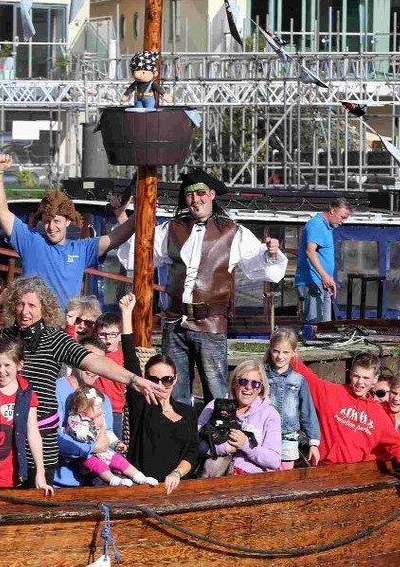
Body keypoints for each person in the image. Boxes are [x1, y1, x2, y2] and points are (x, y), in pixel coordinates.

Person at [117, 168, 286, 405]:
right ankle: (180, 438)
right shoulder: (172, 229)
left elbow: (258, 264)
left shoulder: (233, 231)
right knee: (173, 393)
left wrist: (271, 252)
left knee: (216, 393)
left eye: (200, 193)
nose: (195, 199)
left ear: (212, 195)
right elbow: (139, 253)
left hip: (211, 324)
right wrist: (126, 220)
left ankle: (214, 440)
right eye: (190, 195)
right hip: (175, 324)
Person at [0, 277, 165, 482]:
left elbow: (93, 361)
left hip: (41, 441)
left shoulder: (54, 339)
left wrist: (134, 379)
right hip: (4, 437)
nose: (25, 311)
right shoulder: (1, 337)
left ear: (44, 308)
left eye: (32, 305)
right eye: (20, 304)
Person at [0, 152, 136, 308]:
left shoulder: (82, 249)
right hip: (33, 325)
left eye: (57, 221)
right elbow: (1, 211)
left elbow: (117, 236)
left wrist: (142, 205)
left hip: (65, 327)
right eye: (46, 221)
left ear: (68, 221)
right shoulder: (30, 240)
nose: (51, 227)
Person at [291, 350, 400, 484]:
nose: (360, 383)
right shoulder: (330, 393)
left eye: (366, 378)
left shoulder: (379, 414)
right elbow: (307, 376)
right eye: (356, 376)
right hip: (323, 472)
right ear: (350, 374)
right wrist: (289, 352)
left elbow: (399, 449)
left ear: (375, 380)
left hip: (355, 477)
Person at [118, 293, 200, 493]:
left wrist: (177, 473)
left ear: (175, 379)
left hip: (177, 488)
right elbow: (130, 360)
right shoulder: (142, 403)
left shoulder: (187, 411)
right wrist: (127, 315)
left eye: (167, 380)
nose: (160, 385)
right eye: (154, 380)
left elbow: (192, 452)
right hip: (142, 488)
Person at [0, 340, 52, 494]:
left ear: (19, 365)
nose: (1, 371)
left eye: (7, 365)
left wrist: (40, 472)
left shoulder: (27, 393)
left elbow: (33, 433)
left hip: (10, 474)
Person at [198, 359, 282, 476]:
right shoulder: (215, 406)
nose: (248, 387)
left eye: (255, 384)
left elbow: (274, 461)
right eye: (243, 381)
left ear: (261, 388)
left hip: (250, 479)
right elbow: (195, 444)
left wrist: (245, 445)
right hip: (214, 476)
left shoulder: (270, 414)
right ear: (233, 383)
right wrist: (225, 448)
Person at [54, 337, 116, 488]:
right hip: (60, 483)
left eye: (99, 363)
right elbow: (52, 437)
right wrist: (91, 448)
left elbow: (107, 439)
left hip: (95, 480)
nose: (93, 367)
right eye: (88, 360)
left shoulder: (104, 400)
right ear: (75, 359)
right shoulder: (55, 390)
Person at [65, 387, 157, 486]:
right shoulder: (75, 420)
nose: (101, 410)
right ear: (83, 408)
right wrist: (93, 425)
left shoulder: (98, 417)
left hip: (103, 451)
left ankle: (139, 477)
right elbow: (81, 435)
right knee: (99, 466)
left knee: (120, 460)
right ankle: (113, 480)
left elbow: (107, 432)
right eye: (98, 407)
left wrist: (115, 443)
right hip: (86, 455)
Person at [296, 198, 352, 342]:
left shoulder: (327, 227)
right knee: (314, 323)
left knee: (325, 325)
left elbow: (323, 257)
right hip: (313, 281)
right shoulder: (316, 224)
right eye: (342, 217)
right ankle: (309, 352)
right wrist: (324, 276)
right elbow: (310, 251)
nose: (342, 221)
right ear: (333, 210)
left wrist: (329, 278)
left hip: (323, 281)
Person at [263, 329, 320, 470]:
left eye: (285, 352)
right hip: (264, 433)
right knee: (264, 473)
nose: (280, 356)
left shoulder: (298, 380)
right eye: (276, 351)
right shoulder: (262, 375)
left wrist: (313, 443)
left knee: (285, 476)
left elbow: (307, 411)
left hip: (289, 436)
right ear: (270, 350)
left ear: (294, 352)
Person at [94, 311, 126, 434]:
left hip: (115, 408)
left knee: (114, 445)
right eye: (103, 334)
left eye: (113, 334)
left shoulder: (124, 355)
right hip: (94, 406)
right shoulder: (94, 354)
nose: (107, 339)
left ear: (119, 335)